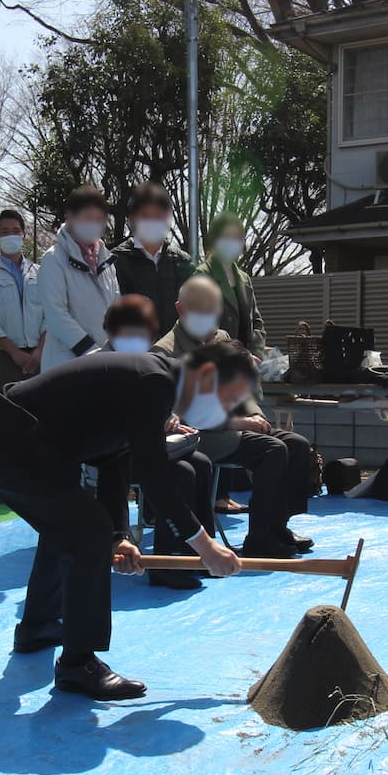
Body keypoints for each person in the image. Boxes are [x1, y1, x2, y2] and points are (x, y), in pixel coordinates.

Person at [0, 342, 251, 700]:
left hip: (13, 443)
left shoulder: (156, 380)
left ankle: (37, 626)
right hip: (5, 444)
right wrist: (205, 548)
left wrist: (119, 535)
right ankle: (78, 664)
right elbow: (155, 475)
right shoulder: (153, 382)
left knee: (71, 526)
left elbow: (115, 461)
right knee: (85, 530)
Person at [155, 276, 315, 558]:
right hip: (198, 435)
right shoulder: (165, 352)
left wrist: (255, 415)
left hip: (234, 425)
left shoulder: (222, 339)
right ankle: (261, 538)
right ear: (181, 309)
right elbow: (183, 416)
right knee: (272, 451)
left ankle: (277, 526)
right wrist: (240, 423)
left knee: (297, 444)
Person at [96, 294, 214, 590]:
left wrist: (170, 418)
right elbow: (118, 422)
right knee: (180, 474)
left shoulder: (145, 361)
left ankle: (198, 551)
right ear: (111, 333)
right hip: (110, 457)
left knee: (201, 463)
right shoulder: (102, 364)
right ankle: (164, 561)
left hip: (140, 444)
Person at [36, 185, 118, 371]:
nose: (93, 224)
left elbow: (116, 309)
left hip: (103, 363)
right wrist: (91, 351)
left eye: (98, 219)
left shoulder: (107, 260)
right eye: (87, 217)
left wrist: (111, 351)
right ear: (69, 217)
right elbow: (56, 315)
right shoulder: (53, 258)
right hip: (65, 364)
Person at [0, 209, 44, 392]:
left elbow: (51, 313)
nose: (10, 235)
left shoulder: (40, 272)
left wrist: (40, 350)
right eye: (4, 232)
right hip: (3, 357)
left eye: (15, 230)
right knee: (4, 413)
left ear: (23, 234)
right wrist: (14, 352)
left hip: (39, 356)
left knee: (41, 412)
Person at [112, 183, 195, 333]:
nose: (152, 222)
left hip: (177, 350)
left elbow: (195, 309)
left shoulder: (183, 261)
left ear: (168, 219)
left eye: (158, 216)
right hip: (134, 349)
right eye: (145, 216)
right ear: (131, 219)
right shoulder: (116, 261)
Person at [196, 213, 267, 358]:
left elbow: (257, 323)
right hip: (216, 360)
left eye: (237, 238)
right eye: (227, 237)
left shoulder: (244, 278)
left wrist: (256, 354)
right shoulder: (203, 274)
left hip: (247, 362)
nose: (232, 243)